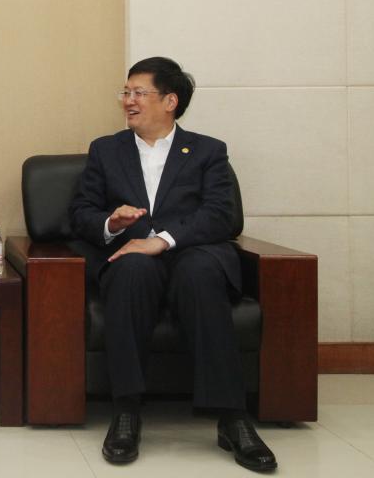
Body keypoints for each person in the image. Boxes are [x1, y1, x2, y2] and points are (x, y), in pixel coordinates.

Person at [68, 57, 277, 472]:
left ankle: (232, 418)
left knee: (199, 274)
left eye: (138, 92)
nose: (128, 101)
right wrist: (111, 223)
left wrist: (162, 240)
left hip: (192, 253)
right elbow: (80, 212)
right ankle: (126, 411)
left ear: (170, 101)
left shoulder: (208, 151)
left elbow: (222, 215)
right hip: (130, 255)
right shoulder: (106, 150)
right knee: (131, 269)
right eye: (125, 92)